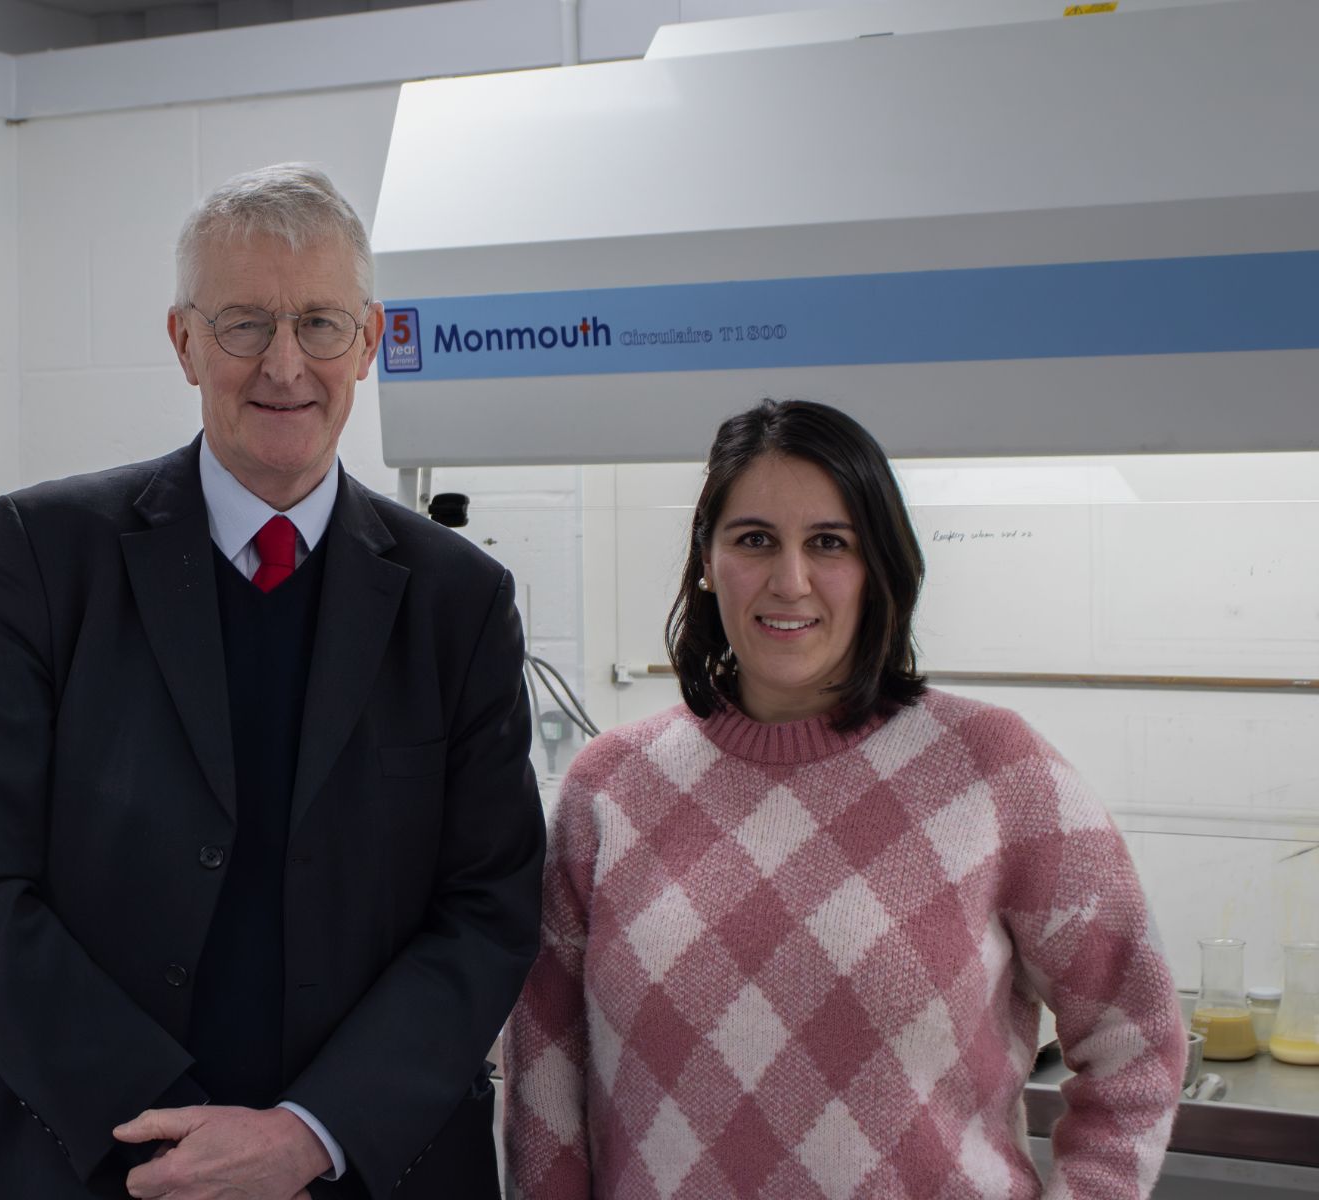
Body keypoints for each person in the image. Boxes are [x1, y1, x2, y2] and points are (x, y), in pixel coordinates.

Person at [0, 164, 544, 1200]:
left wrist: (308, 1135)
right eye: (245, 323)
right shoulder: (44, 555)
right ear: (184, 342)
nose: (285, 365)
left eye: (321, 325)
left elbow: (487, 908)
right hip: (78, 1156)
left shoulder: (456, 601)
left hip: (356, 1166)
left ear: (371, 341)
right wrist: (171, 1143)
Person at [504, 399, 1185, 1199]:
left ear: (880, 567)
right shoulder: (608, 786)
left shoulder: (999, 770)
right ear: (705, 560)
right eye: (754, 539)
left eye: (829, 543)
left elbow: (1136, 1041)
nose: (789, 581)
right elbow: (545, 1078)